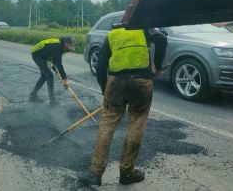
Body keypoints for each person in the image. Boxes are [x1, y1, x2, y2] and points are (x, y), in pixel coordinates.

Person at [80, 25, 167, 186]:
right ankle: (127, 172)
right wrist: (158, 66)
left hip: (116, 83)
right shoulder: (144, 28)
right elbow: (161, 39)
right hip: (142, 81)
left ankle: (95, 173)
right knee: (136, 124)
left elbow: (100, 67)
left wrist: (105, 89)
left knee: (106, 125)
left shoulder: (112, 34)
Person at [29, 36, 76, 105]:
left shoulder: (62, 47)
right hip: (37, 54)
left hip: (44, 55)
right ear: (65, 44)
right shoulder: (57, 47)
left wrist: (54, 66)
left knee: (44, 76)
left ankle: (32, 96)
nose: (69, 50)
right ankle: (52, 100)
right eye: (69, 48)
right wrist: (65, 79)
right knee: (49, 76)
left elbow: (55, 58)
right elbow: (59, 64)